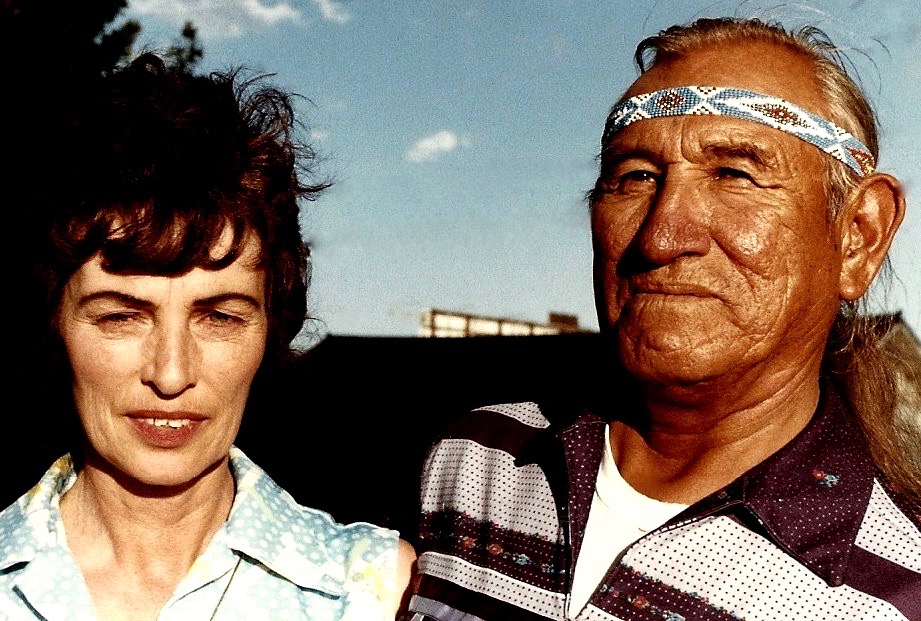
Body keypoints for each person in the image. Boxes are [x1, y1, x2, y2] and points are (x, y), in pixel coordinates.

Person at [402, 16, 921, 621]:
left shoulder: (895, 592)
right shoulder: (477, 460)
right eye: (635, 177)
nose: (662, 235)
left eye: (735, 174)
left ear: (858, 237)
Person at [0, 52, 415, 620]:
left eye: (219, 317)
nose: (171, 374)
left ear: (272, 325)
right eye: (121, 316)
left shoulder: (373, 591)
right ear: (54, 323)